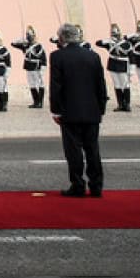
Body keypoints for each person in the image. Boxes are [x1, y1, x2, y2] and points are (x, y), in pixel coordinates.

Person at [50, 22, 107, 198]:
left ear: (61, 38)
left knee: (73, 151)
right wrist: (101, 108)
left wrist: (56, 111)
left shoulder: (57, 56)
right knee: (93, 149)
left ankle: (78, 185)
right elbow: (101, 86)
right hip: (92, 111)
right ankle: (96, 186)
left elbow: (56, 86)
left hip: (70, 111)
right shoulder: (93, 56)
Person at [95, 24, 133, 112]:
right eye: (112, 33)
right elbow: (98, 43)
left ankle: (127, 104)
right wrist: (108, 41)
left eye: (115, 32)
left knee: (125, 85)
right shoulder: (109, 43)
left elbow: (131, 56)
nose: (114, 34)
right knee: (117, 85)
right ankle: (120, 104)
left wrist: (132, 69)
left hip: (123, 65)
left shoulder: (126, 43)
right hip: (113, 65)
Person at [11, 25, 48, 108]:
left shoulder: (38, 46)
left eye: (30, 34)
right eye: (27, 34)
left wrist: (43, 67)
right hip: (28, 67)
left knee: (39, 84)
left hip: (37, 67)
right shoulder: (26, 45)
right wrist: (20, 40)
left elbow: (43, 58)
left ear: (34, 36)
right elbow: (13, 44)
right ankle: (35, 101)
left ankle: (40, 102)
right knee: (32, 84)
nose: (28, 36)